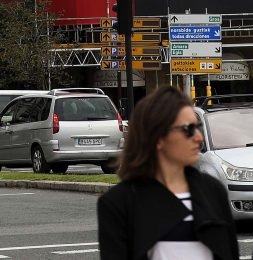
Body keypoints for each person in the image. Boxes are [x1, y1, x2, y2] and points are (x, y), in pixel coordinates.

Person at [96, 86, 239, 260]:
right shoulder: (118, 204)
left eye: (198, 127)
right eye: (188, 129)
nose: (199, 138)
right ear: (158, 138)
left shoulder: (212, 191)